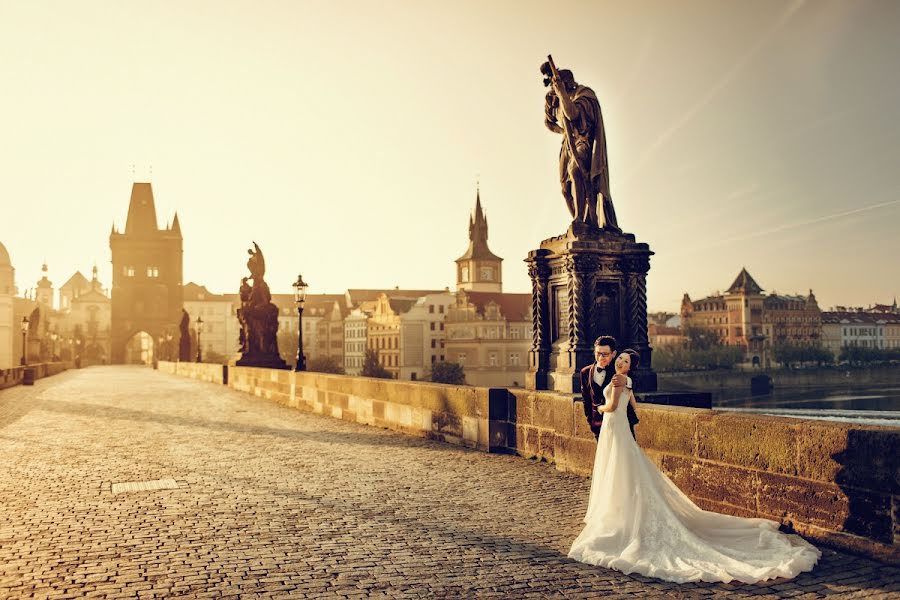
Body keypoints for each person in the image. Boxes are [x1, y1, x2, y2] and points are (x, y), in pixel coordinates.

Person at [569, 349, 820, 583]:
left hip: (614, 427)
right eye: (619, 359)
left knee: (618, 471)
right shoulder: (628, 382)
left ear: (630, 366)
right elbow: (634, 405)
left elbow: (611, 406)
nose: (620, 363)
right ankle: (624, 513)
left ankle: (619, 516)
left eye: (625, 361)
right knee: (627, 470)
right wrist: (623, 409)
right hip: (621, 428)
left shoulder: (617, 380)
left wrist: (600, 408)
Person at [543, 64, 619, 231]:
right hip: (568, 144)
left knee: (576, 171)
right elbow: (548, 122)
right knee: (565, 188)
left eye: (558, 85)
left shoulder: (584, 95)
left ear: (568, 83)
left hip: (583, 142)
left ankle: (581, 219)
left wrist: (562, 93)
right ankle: (582, 219)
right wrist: (562, 131)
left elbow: (572, 114)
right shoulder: (554, 99)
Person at [579, 336, 639, 439]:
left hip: (621, 423)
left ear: (614, 354)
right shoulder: (585, 372)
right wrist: (591, 420)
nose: (601, 357)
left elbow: (633, 382)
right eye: (598, 353)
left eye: (605, 354)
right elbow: (586, 399)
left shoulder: (618, 368)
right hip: (598, 424)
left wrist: (627, 381)